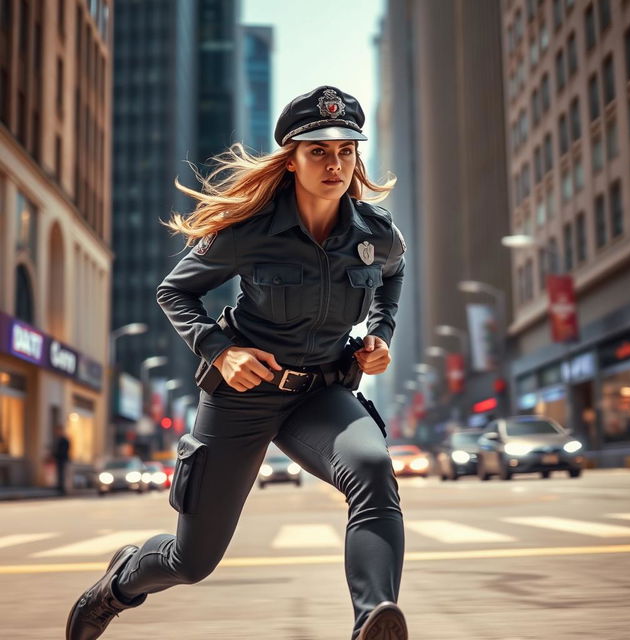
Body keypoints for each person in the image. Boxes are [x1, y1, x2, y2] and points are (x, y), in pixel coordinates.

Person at [66, 86, 408, 640]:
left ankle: (374, 618)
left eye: (345, 150)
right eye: (318, 151)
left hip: (321, 393)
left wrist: (380, 332)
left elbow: (392, 274)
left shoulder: (375, 233)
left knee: (372, 467)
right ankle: (119, 584)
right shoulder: (249, 231)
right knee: (191, 560)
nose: (334, 163)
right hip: (241, 397)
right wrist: (220, 352)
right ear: (291, 159)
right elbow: (174, 292)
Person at [53, 425, 70, 496]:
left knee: (62, 473)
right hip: (59, 459)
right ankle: (59, 486)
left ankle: (62, 488)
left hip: (62, 459)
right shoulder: (58, 439)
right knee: (59, 473)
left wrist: (58, 455)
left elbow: (64, 450)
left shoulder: (64, 440)